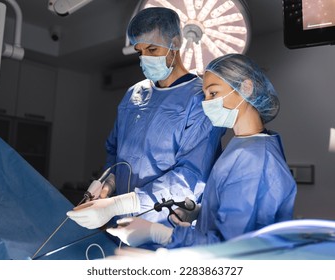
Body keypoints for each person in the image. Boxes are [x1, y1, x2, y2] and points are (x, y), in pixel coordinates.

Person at [105, 53, 297, 248]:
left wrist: (159, 234)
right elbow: (237, 206)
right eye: (204, 95)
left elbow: (230, 248)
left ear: (246, 88)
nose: (206, 104)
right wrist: (201, 211)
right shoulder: (243, 145)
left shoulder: (254, 159)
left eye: (213, 93)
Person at [66, 7, 225, 228]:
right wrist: (109, 183)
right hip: (121, 226)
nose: (145, 58)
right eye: (140, 51)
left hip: (165, 228)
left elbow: (190, 176)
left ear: (176, 43)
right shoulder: (134, 94)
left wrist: (119, 204)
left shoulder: (201, 99)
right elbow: (114, 149)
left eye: (152, 49)